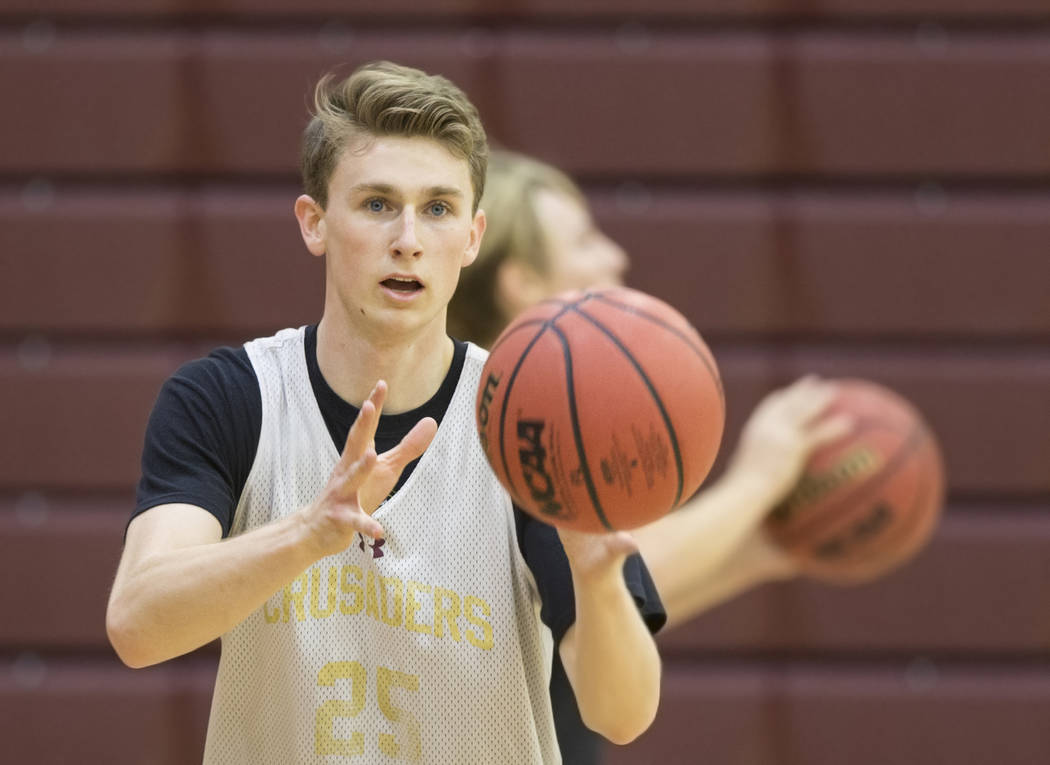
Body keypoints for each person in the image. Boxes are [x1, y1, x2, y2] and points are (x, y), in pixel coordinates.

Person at [105, 63, 664, 764]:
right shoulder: (228, 397)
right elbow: (137, 623)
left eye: (437, 208)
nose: (408, 237)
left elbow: (623, 715)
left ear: (471, 236)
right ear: (315, 223)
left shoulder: (533, 418)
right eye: (377, 204)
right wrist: (309, 533)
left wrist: (597, 576)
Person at [448, 149, 852, 764]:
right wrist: (756, 483)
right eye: (584, 239)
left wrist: (760, 553)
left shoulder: (506, 416)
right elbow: (621, 563)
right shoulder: (499, 436)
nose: (615, 255)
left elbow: (590, 605)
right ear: (520, 281)